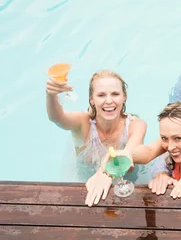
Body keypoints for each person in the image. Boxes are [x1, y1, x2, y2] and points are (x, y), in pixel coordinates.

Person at [45, 69, 146, 205]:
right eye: (101, 95)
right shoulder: (83, 123)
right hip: (85, 188)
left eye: (115, 94)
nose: (109, 101)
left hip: (128, 185)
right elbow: (57, 118)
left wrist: (104, 172)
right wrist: (51, 95)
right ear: (92, 100)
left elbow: (128, 156)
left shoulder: (136, 125)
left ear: (124, 97)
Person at [107, 102, 181, 201]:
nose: (170, 147)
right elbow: (148, 151)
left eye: (178, 138)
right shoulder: (176, 146)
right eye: (164, 138)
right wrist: (123, 155)